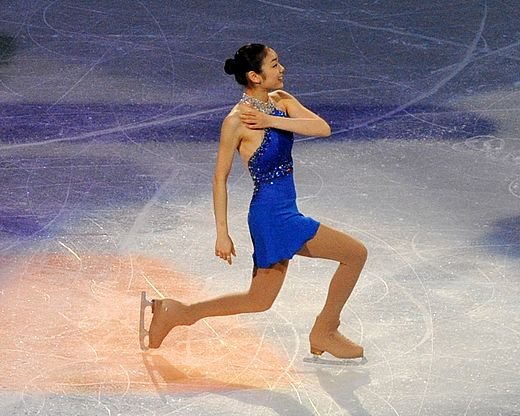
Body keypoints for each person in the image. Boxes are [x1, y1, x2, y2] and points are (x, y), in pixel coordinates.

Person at [141, 43, 367, 359]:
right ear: (255, 76)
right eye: (274, 65)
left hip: (285, 210)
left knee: (259, 300)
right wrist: (222, 232)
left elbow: (322, 128)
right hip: (272, 216)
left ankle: (177, 313)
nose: (282, 69)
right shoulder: (235, 122)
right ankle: (325, 330)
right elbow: (219, 178)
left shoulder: (282, 103)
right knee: (355, 254)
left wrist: (272, 121)